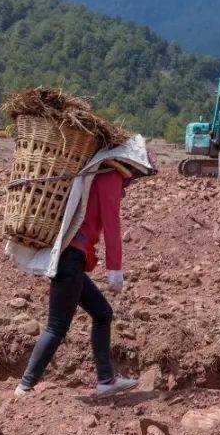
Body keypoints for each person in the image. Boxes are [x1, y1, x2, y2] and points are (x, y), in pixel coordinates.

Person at [15, 158, 147, 398]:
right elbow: (111, 223)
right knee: (56, 326)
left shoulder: (98, 172)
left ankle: (106, 380)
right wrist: (114, 268)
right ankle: (25, 386)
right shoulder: (111, 177)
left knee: (102, 313)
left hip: (70, 256)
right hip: (71, 258)